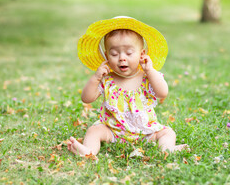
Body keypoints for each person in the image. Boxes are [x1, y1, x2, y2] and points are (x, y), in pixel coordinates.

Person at [68, 16, 188, 156]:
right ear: (107, 57)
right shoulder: (107, 80)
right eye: (114, 53)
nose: (122, 58)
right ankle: (88, 151)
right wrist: (96, 78)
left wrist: (150, 71)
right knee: (94, 130)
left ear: (142, 54)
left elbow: (163, 93)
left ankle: (167, 149)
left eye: (129, 53)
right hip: (113, 131)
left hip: (145, 132)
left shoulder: (146, 77)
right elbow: (86, 98)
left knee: (168, 132)